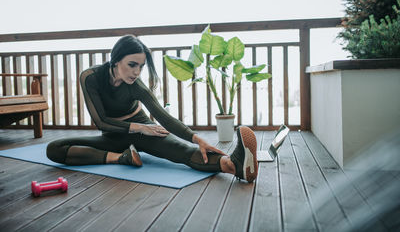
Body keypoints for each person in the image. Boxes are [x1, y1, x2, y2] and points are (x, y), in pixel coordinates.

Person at [46, 35, 258, 183]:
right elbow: (100, 121)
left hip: (145, 132)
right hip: (114, 136)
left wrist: (196, 138)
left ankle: (233, 166)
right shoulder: (90, 77)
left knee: (181, 152)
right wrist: (137, 128)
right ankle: (120, 158)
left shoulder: (136, 86)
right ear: (116, 59)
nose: (137, 72)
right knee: (54, 148)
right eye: (132, 65)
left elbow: (162, 117)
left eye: (141, 66)